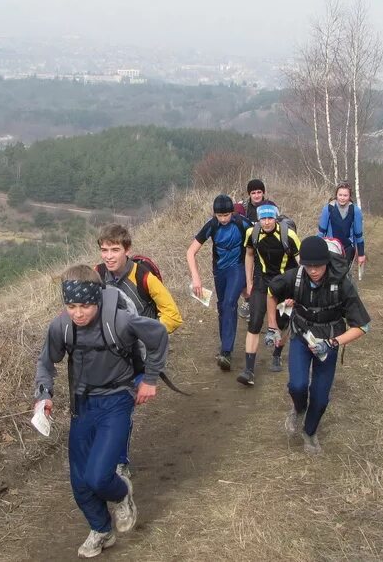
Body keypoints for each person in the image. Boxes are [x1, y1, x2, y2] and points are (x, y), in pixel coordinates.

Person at [34, 265, 169, 558]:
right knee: (80, 482)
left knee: (98, 476)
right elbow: (46, 363)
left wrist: (150, 379)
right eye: (71, 306)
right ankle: (101, 528)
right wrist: (44, 395)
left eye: (85, 306)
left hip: (117, 401)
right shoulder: (62, 326)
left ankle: (123, 495)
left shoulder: (119, 321)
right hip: (82, 406)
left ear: (97, 299)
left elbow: (158, 334)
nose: (78, 313)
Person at [267, 236, 371, 454]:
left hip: (329, 340)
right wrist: (272, 327)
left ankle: (310, 432)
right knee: (297, 385)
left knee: (321, 395)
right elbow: (271, 292)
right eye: (308, 266)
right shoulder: (295, 277)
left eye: (318, 266)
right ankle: (298, 407)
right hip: (301, 335)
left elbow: (362, 326)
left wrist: (332, 343)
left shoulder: (342, 283)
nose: (313, 271)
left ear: (327, 262)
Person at [95, 223, 182, 477]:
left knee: (120, 409)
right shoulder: (96, 274)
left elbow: (174, 317)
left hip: (136, 359)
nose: (108, 256)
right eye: (104, 250)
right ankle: (111, 458)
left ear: (127, 250)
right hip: (104, 356)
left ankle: (120, 463)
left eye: (114, 249)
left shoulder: (144, 277)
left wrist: (144, 333)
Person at [186, 194, 251, 371]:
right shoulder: (212, 225)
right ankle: (224, 348)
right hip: (219, 270)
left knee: (230, 303)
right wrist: (196, 278)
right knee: (222, 306)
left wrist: (249, 282)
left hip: (237, 268)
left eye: (226, 215)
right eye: (219, 216)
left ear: (232, 212)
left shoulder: (242, 223)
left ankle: (226, 351)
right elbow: (191, 252)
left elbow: (255, 250)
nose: (223, 219)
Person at [238, 204, 301, 386]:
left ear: (275, 218)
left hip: (284, 282)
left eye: (270, 218)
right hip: (262, 282)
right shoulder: (252, 233)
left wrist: (298, 291)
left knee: (282, 323)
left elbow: (302, 263)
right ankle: (248, 370)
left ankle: (276, 354)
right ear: (258, 219)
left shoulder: (288, 235)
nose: (266, 222)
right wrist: (249, 282)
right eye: (263, 219)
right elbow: (249, 255)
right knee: (255, 322)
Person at [234, 179, 277, 320]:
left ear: (263, 193)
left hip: (267, 249)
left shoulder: (270, 206)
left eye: (259, 192)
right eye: (253, 192)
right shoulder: (243, 208)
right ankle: (248, 300)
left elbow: (279, 224)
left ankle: (268, 304)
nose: (257, 195)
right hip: (247, 247)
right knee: (243, 279)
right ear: (249, 194)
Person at [317, 181, 366, 269]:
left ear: (349, 196)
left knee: (343, 276)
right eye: (340, 195)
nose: (342, 198)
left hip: (348, 249)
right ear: (336, 195)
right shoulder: (328, 208)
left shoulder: (355, 211)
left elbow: (359, 235)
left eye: (345, 195)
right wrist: (316, 250)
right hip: (330, 248)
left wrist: (361, 255)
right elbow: (321, 233)